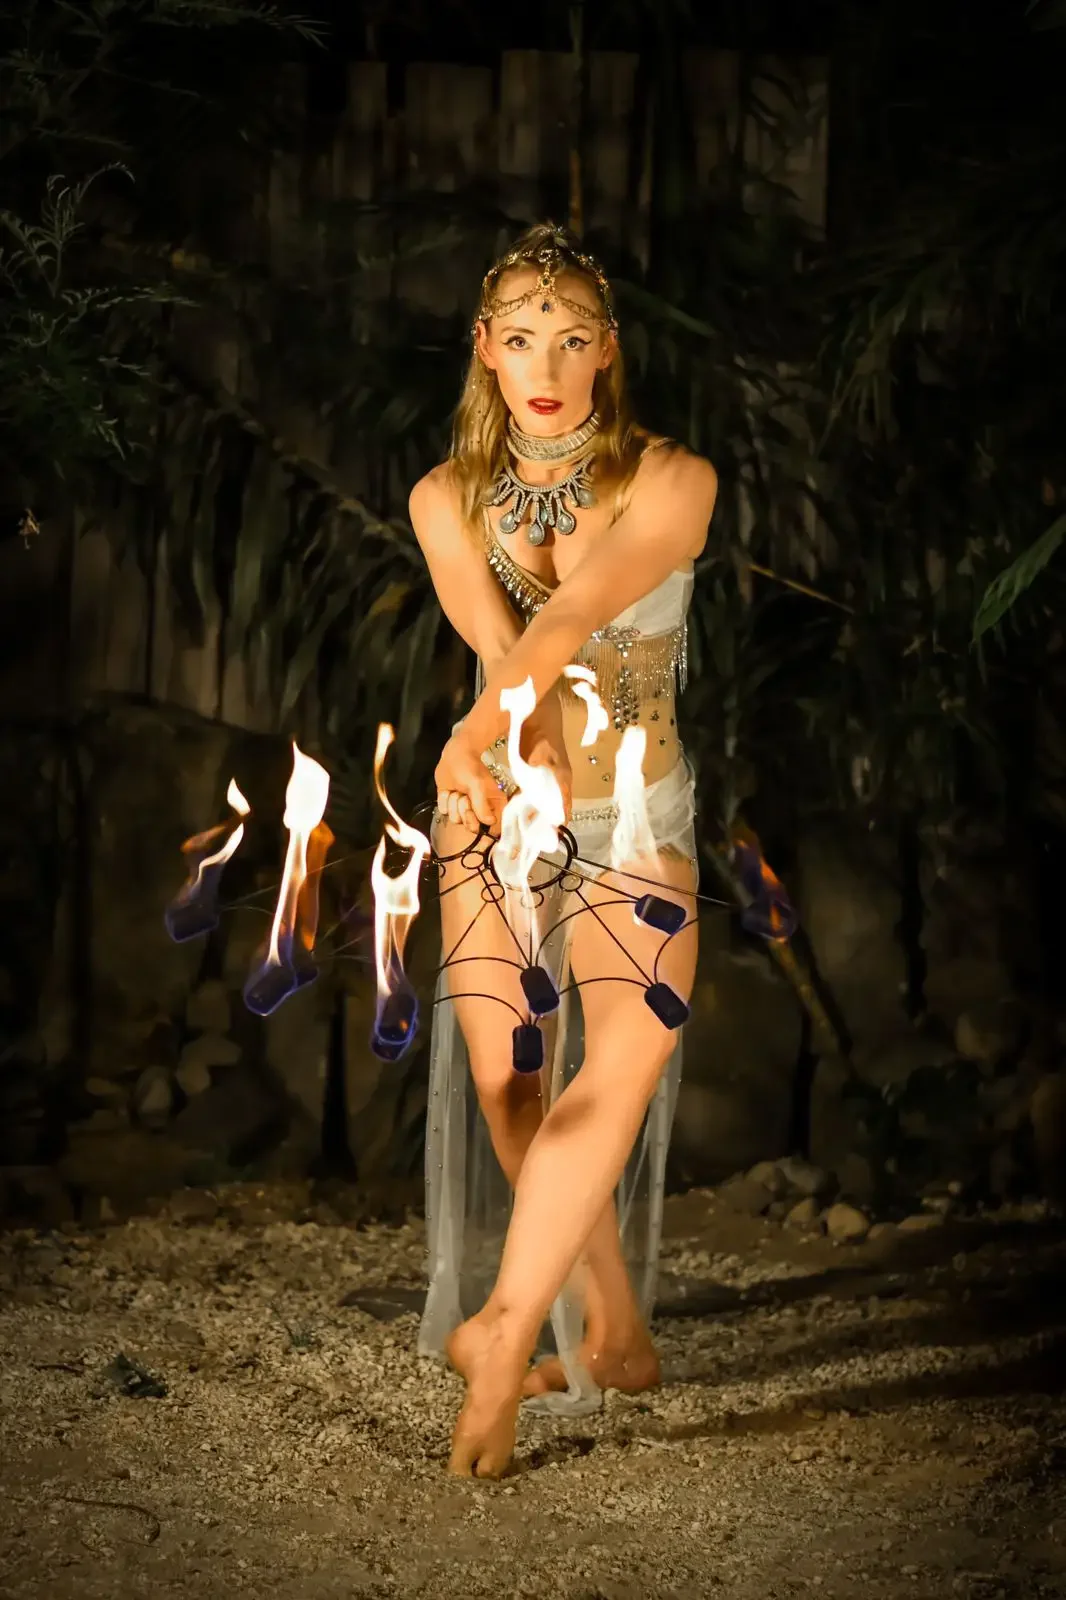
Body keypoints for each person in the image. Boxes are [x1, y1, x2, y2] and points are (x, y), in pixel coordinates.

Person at [408, 222, 718, 1478]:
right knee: (507, 1085)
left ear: (608, 352)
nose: (546, 365)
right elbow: (503, 649)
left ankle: (505, 1328)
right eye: (523, 337)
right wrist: (492, 747)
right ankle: (618, 1335)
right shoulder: (443, 498)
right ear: (485, 347)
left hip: (635, 818)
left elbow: (580, 611)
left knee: (616, 1068)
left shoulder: (672, 482)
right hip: (500, 812)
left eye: (572, 338)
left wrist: (472, 726)